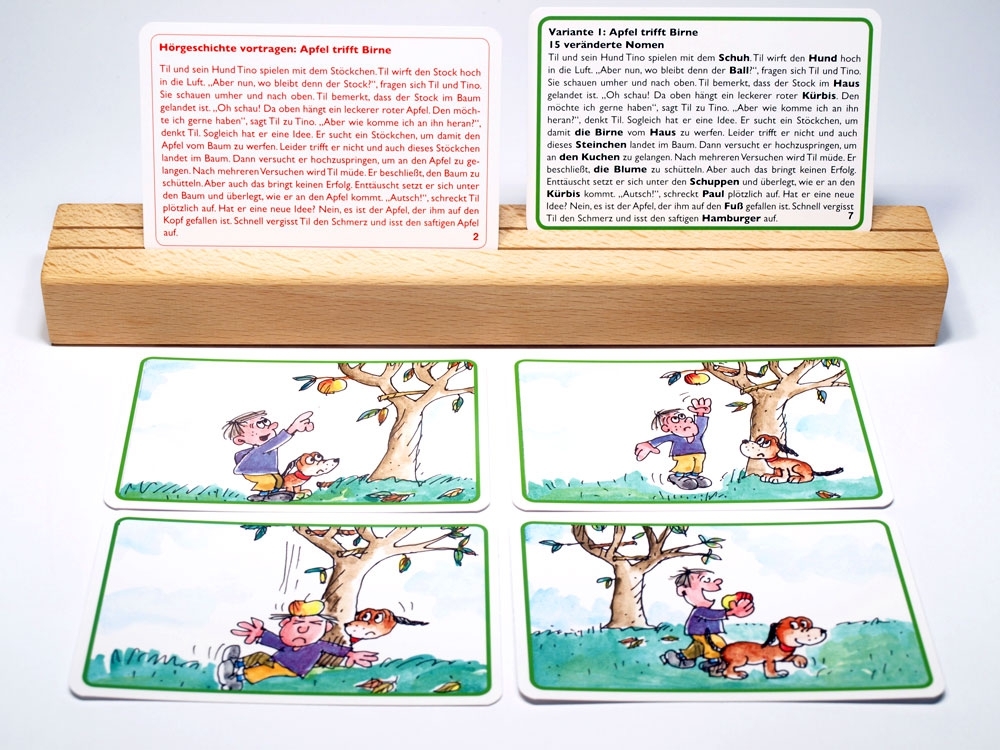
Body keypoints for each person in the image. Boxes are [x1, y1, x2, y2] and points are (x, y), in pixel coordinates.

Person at [216, 599, 377, 690]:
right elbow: (276, 642)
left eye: (314, 623)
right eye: (297, 623)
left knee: (264, 670)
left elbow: (333, 649)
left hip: (291, 669)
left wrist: (350, 653)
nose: (303, 628)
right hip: (276, 660)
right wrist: (261, 634)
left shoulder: (317, 645)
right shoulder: (287, 643)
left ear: (326, 627)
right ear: (285, 624)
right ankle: (236, 663)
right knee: (259, 656)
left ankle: (237, 679)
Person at [660, 567, 754, 676]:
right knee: (715, 643)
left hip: (702, 633)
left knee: (698, 647)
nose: (707, 584)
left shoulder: (703, 608)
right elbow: (713, 615)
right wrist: (731, 612)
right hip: (700, 632)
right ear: (683, 590)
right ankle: (714, 662)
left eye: (706, 581)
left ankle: (680, 657)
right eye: (702, 581)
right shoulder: (700, 610)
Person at [223, 409, 314, 501]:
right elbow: (278, 440)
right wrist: (293, 428)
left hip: (268, 471)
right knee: (269, 481)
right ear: (240, 440)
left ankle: (273, 493)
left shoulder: (267, 447)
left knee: (279, 480)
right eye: (259, 425)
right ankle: (263, 494)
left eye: (265, 422)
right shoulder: (262, 448)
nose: (271, 426)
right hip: (253, 471)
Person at [634, 397, 712, 490]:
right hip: (682, 455)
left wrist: (700, 413)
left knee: (698, 465)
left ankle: (694, 476)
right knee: (685, 465)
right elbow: (662, 439)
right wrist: (649, 444)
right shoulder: (676, 437)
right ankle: (677, 477)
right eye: (675, 419)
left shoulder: (697, 434)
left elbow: (701, 425)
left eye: (682, 416)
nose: (684, 421)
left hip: (699, 453)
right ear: (666, 428)